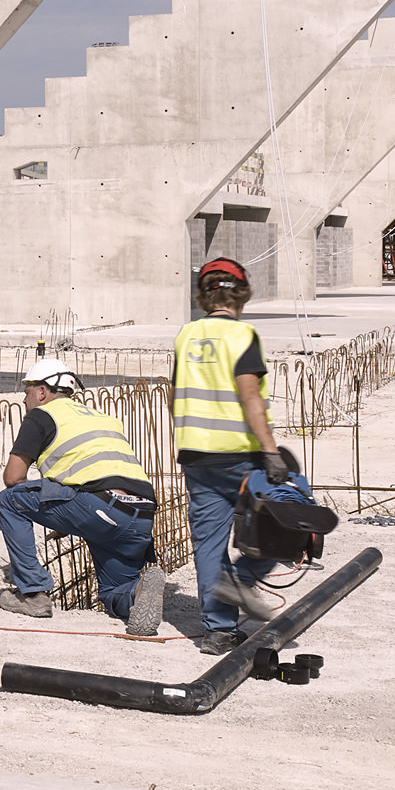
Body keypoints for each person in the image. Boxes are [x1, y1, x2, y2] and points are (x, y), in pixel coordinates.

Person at [0, 359, 166, 635]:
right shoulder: (102, 418)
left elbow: (13, 478)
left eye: (27, 393)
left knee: (10, 500)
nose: (25, 401)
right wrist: (65, 517)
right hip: (141, 516)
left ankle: (33, 594)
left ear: (42, 392)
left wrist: (56, 509)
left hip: (98, 504)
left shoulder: (42, 415)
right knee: (113, 593)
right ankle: (136, 595)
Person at [175, 257, 292, 653]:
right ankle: (241, 580)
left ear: (204, 295)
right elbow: (250, 397)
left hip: (195, 456)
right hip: (238, 455)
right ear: (241, 293)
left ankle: (218, 631)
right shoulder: (243, 337)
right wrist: (271, 452)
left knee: (208, 543)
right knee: (283, 524)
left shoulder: (186, 336)